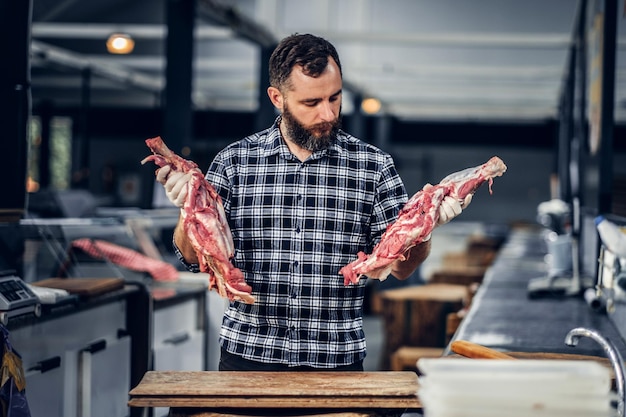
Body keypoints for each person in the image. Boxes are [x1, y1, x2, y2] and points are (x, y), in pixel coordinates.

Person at [155, 33, 471, 371]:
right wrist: (187, 208)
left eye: (334, 98)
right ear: (277, 98)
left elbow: (400, 267)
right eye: (311, 102)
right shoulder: (234, 162)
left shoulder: (374, 166)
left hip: (336, 362)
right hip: (248, 358)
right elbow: (191, 259)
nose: (327, 114)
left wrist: (425, 230)